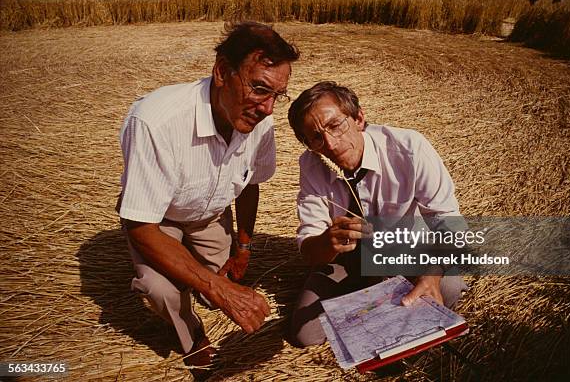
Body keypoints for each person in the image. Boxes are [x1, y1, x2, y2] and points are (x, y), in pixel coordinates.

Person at [116, 22, 299, 371]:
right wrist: (218, 289)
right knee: (164, 290)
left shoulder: (259, 121)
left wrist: (243, 246)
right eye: (259, 88)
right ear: (221, 72)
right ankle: (191, 335)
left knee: (223, 273)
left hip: (210, 213)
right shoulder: (156, 121)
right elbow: (140, 225)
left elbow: (249, 185)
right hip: (158, 222)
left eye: (278, 95)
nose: (268, 109)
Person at [287, 81, 468, 347]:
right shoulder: (311, 165)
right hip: (348, 260)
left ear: (359, 118)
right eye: (315, 137)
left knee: (447, 287)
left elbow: (448, 222)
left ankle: (376, 300)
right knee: (306, 335)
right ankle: (376, 298)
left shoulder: (410, 148)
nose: (330, 144)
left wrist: (432, 272)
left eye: (335, 125)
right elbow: (310, 247)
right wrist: (327, 242)